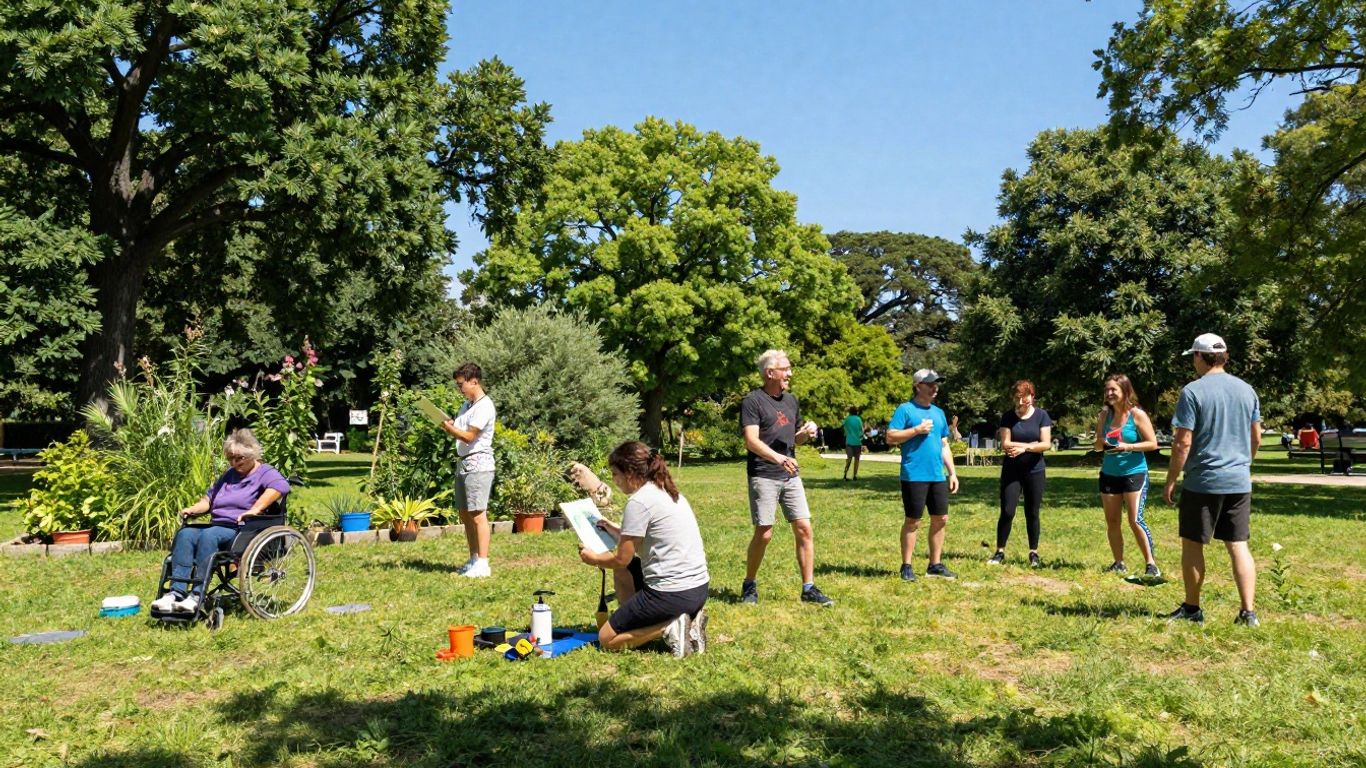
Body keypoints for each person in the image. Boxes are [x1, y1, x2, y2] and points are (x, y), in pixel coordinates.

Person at [1163, 333, 1262, 626]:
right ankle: (1248, 612)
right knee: (1238, 544)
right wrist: (1243, 463)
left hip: (1203, 481)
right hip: (1239, 480)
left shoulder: (1193, 392)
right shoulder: (1247, 390)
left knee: (1193, 543)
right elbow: (1255, 436)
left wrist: (1170, 480)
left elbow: (1182, 443)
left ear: (1198, 357)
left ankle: (1192, 609)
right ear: (1224, 356)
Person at [580, 441, 710, 656]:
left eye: (615, 474)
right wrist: (615, 529)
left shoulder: (639, 502)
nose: (614, 480)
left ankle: (669, 627)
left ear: (630, 472)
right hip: (697, 590)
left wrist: (593, 558)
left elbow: (620, 558)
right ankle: (677, 621)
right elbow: (649, 537)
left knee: (607, 639)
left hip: (671, 594)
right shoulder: (666, 491)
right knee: (626, 569)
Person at [150, 429, 291, 614]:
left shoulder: (264, 472)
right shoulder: (229, 474)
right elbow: (208, 500)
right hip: (217, 525)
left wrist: (255, 509)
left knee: (209, 536)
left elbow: (281, 486)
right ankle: (176, 593)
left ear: (251, 455)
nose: (234, 463)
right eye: (231, 458)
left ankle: (196, 596)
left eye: (239, 458)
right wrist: (193, 509)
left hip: (240, 529)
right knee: (185, 534)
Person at [739, 349, 834, 607]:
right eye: (785, 369)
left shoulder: (791, 401)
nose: (790, 373)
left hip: (791, 475)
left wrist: (807, 432)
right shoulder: (753, 401)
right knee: (765, 533)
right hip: (764, 474)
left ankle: (808, 588)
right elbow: (751, 441)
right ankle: (749, 584)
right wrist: (778, 458)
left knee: (804, 528)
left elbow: (794, 439)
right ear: (770, 373)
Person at [887, 369, 960, 581]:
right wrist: (916, 430)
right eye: (930, 384)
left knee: (941, 518)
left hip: (937, 475)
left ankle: (934, 564)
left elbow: (944, 444)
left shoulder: (938, 413)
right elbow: (891, 437)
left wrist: (952, 473)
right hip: (914, 474)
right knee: (913, 520)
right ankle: (906, 566)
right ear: (918, 386)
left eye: (936, 384)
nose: (934, 387)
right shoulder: (906, 410)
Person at [1093, 374, 1161, 577]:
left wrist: (1127, 446)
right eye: (1107, 390)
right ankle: (1118, 562)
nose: (1109, 393)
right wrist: (1102, 441)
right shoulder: (1104, 416)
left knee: (1135, 520)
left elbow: (1152, 443)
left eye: (1113, 389)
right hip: (1109, 474)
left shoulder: (1137, 414)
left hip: (1134, 473)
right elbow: (1097, 446)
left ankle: (1151, 565)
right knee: (1112, 521)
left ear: (1125, 391)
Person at [441, 362, 496, 578]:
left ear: (474, 381)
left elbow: (469, 436)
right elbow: (461, 428)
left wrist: (450, 429)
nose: (460, 388)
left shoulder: (485, 406)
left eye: (461, 384)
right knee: (465, 513)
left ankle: (483, 563)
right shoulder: (467, 405)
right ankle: (474, 559)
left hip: (479, 464)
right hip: (464, 463)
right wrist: (451, 424)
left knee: (477, 513)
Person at [988, 380, 1052, 567]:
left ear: (1033, 396)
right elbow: (1006, 443)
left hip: (1035, 470)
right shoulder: (1008, 417)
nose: (1025, 400)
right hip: (1012, 471)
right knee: (1007, 511)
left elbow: (1046, 443)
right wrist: (1033, 445)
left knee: (1032, 512)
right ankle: (999, 551)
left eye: (1029, 396)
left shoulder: (1042, 416)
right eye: (1021, 397)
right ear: (1015, 398)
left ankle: (1034, 553)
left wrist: (1025, 448)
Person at [842, 407, 864, 481]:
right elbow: (861, 430)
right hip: (857, 442)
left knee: (849, 459)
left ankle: (845, 474)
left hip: (849, 441)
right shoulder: (858, 419)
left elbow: (844, 428)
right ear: (856, 412)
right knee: (857, 459)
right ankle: (855, 475)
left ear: (850, 412)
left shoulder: (847, 419)